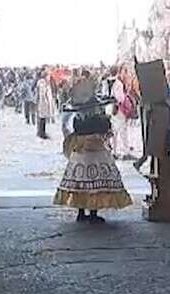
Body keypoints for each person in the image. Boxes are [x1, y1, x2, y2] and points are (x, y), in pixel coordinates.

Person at [54, 76, 131, 223]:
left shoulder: (77, 116)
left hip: (80, 153)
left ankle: (81, 212)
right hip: (96, 153)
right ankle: (93, 213)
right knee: (95, 181)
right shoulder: (97, 115)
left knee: (80, 181)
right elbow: (106, 128)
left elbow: (70, 129)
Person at [35, 69, 56, 139]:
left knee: (43, 118)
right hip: (43, 103)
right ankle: (41, 132)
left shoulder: (46, 83)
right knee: (42, 118)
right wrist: (45, 102)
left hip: (45, 103)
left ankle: (42, 131)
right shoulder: (42, 83)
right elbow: (42, 94)